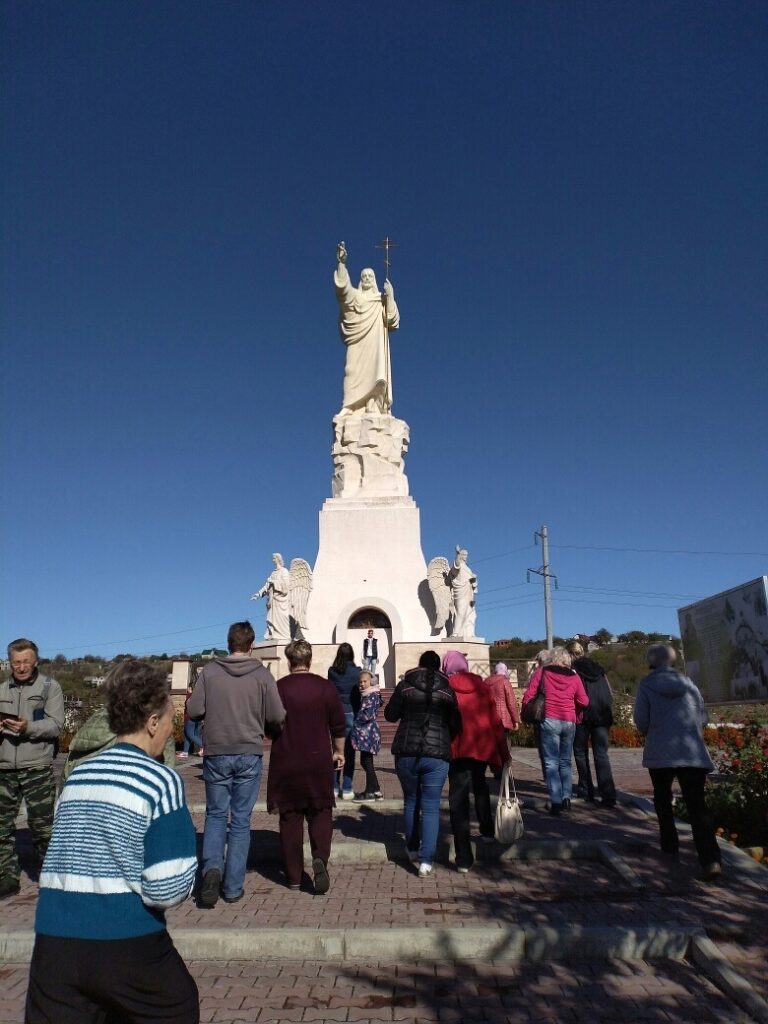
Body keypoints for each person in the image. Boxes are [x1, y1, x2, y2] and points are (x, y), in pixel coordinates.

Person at [26, 661, 198, 1024]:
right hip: (125, 942)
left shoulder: (78, 775)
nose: (171, 730)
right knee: (178, 1005)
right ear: (152, 721)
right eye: (170, 720)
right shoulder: (160, 781)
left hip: (54, 944)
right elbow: (166, 889)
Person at [187, 621, 286, 908]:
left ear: (229, 643)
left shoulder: (211, 672)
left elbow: (194, 710)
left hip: (217, 751)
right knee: (240, 820)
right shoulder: (262, 675)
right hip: (248, 750)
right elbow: (277, 715)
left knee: (216, 815)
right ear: (252, 644)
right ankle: (232, 887)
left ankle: (211, 870)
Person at [633, 643, 722, 880]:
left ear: (650, 660)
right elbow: (703, 717)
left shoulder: (646, 685)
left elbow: (641, 721)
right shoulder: (690, 684)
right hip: (691, 751)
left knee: (662, 799)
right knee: (697, 805)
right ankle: (710, 858)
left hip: (660, 752)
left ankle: (669, 846)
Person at [267, 640, 346, 894]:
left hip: (286, 759)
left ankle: (293, 877)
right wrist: (339, 751)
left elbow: (270, 724)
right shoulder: (325, 687)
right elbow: (338, 725)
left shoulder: (279, 688)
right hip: (317, 759)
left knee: (289, 817)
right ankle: (320, 857)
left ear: (289, 662)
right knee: (320, 811)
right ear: (310, 660)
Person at [385, 651, 461, 877]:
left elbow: (390, 715)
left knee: (411, 801)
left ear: (419, 665)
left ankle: (412, 848)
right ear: (439, 667)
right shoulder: (447, 690)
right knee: (430, 806)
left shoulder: (405, 686)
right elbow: (456, 723)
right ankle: (426, 861)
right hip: (436, 754)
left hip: (407, 750)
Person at [0, 638, 64, 900]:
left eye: (26, 661)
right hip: (4, 769)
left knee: (43, 828)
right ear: (10, 663)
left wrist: (28, 728)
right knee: (1, 828)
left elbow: (56, 725)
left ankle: (50, 877)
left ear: (35, 661)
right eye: (16, 662)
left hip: (37, 767)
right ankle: (7, 877)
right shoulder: (2, 689)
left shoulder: (50, 687)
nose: (22, 667)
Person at [442, 651, 509, 873]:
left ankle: (463, 857)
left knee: (458, 801)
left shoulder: (446, 688)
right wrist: (503, 755)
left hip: (456, 749)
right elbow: (496, 722)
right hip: (481, 747)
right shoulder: (482, 688)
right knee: (480, 787)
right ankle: (487, 832)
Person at [334, 241, 400, 416]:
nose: (367, 279)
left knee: (376, 371)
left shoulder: (380, 299)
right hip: (358, 341)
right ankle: (349, 406)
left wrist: (390, 296)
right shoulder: (356, 297)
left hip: (375, 342)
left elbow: (392, 321)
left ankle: (373, 404)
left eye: (370, 276)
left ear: (375, 279)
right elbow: (343, 292)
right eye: (364, 276)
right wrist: (341, 264)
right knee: (351, 370)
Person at [521, 647, 588, 815]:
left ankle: (556, 800)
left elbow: (528, 696)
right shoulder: (574, 676)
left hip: (549, 719)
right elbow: (584, 700)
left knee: (551, 762)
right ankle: (566, 798)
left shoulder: (542, 672)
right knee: (565, 761)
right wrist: (572, 705)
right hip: (569, 721)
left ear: (553, 658)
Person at [566, 641, 617, 807]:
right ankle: (608, 794)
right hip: (602, 714)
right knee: (601, 755)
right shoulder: (600, 670)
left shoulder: (574, 671)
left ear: (571, 655)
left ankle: (586, 790)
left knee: (580, 752)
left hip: (583, 715)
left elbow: (574, 695)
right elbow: (610, 693)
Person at [328, 641, 361, 799]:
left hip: (335, 713)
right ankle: (347, 788)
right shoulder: (357, 672)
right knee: (349, 751)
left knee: (335, 750)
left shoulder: (332, 671)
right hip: (351, 712)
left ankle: (334, 786)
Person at [350, 671, 383, 801]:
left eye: (365, 681)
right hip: (365, 732)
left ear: (371, 682)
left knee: (367, 761)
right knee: (366, 761)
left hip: (368, 733)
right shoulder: (367, 694)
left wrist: (356, 721)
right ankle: (376, 790)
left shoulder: (372, 695)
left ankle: (370, 792)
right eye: (360, 682)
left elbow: (368, 714)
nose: (362, 684)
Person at [251, 553, 292, 640]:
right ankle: (273, 634)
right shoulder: (273, 573)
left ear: (278, 559)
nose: (273, 560)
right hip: (272, 601)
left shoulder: (284, 571)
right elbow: (267, 586)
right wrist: (258, 594)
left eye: (274, 558)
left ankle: (284, 636)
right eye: (273, 558)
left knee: (282, 619)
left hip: (281, 600)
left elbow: (286, 587)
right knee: (272, 620)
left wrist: (273, 582)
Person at [484, 662, 521, 747]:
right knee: (505, 745)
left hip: (489, 718)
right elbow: (511, 702)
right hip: (503, 719)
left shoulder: (486, 682)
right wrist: (515, 720)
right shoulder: (505, 681)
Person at [448, 547, 478, 638]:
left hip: (469, 592)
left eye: (466, 555)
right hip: (460, 591)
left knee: (471, 613)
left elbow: (472, 581)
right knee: (460, 612)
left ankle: (469, 633)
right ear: (460, 555)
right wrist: (457, 554)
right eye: (464, 555)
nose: (466, 556)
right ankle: (456, 632)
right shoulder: (459, 565)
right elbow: (456, 566)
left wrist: (474, 581)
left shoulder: (468, 568)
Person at [178, 684, 203, 759]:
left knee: (190, 735)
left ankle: (204, 746)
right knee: (187, 735)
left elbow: (189, 706)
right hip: (196, 719)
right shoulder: (198, 697)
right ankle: (185, 752)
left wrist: (189, 693)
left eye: (188, 688)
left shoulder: (190, 696)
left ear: (190, 688)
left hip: (189, 718)